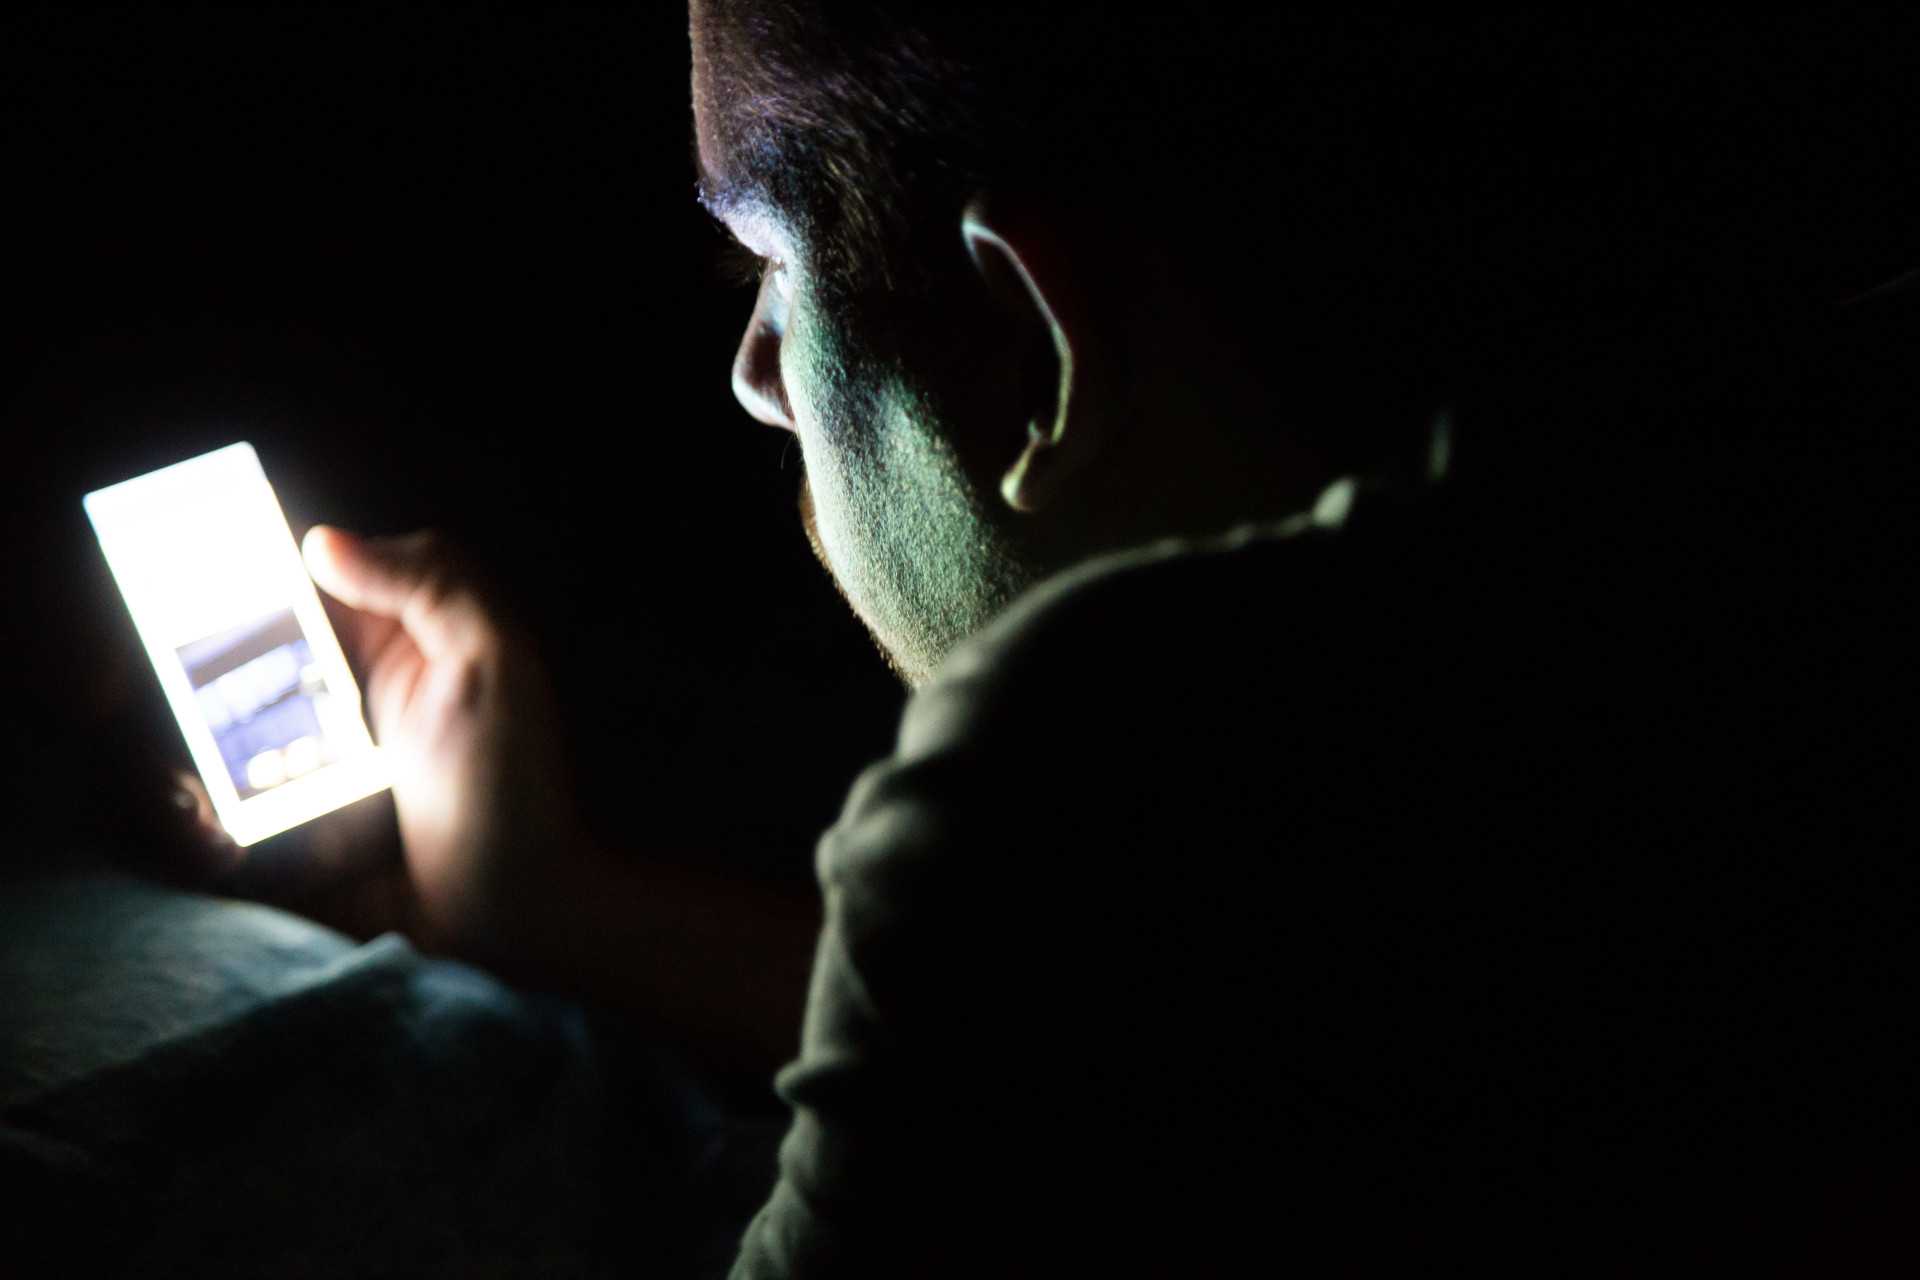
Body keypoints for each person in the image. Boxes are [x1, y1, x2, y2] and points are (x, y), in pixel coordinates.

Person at [10, 6, 1920, 1275]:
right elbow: (1145, 1053)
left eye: (777, 257)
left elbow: (1076, 930)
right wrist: (559, 907)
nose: (757, 375)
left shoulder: (1090, 760)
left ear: (1027, 341)